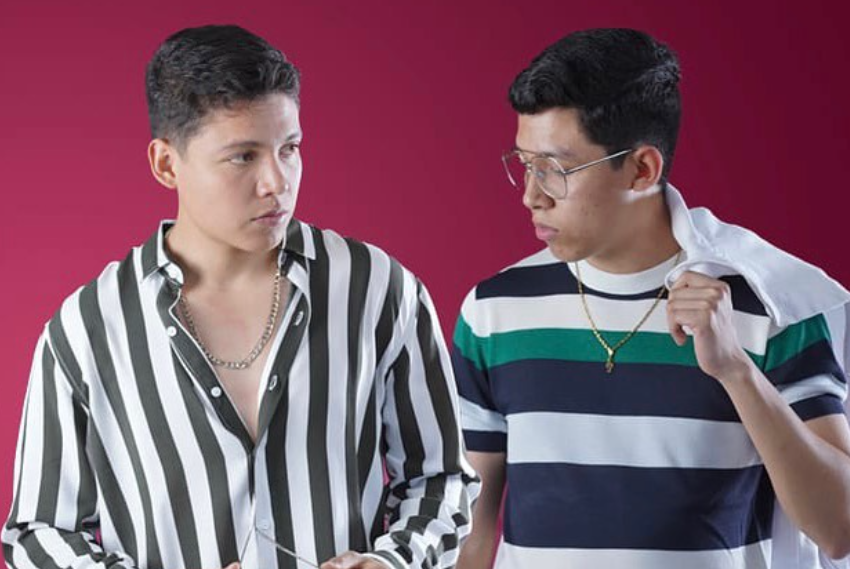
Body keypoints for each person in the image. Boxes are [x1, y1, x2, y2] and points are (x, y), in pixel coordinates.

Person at [3, 24, 478, 569]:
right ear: (166, 164)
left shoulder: (376, 289)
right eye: (243, 156)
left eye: (290, 148)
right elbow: (39, 532)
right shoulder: (87, 329)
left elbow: (441, 479)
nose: (277, 181)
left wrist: (392, 562)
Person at [452, 28, 850, 569]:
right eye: (525, 163)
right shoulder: (493, 311)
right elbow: (470, 535)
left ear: (642, 169)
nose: (531, 195)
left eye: (556, 170)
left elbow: (838, 528)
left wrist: (736, 371)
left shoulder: (768, 305)